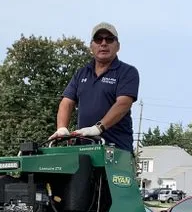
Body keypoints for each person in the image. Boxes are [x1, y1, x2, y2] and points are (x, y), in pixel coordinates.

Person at [49, 22, 139, 151]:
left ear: (118, 46)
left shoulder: (127, 72)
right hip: (84, 148)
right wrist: (62, 128)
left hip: (116, 149)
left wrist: (98, 128)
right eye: (98, 39)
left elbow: (123, 103)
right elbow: (66, 102)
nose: (103, 43)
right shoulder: (81, 73)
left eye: (109, 39)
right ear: (91, 46)